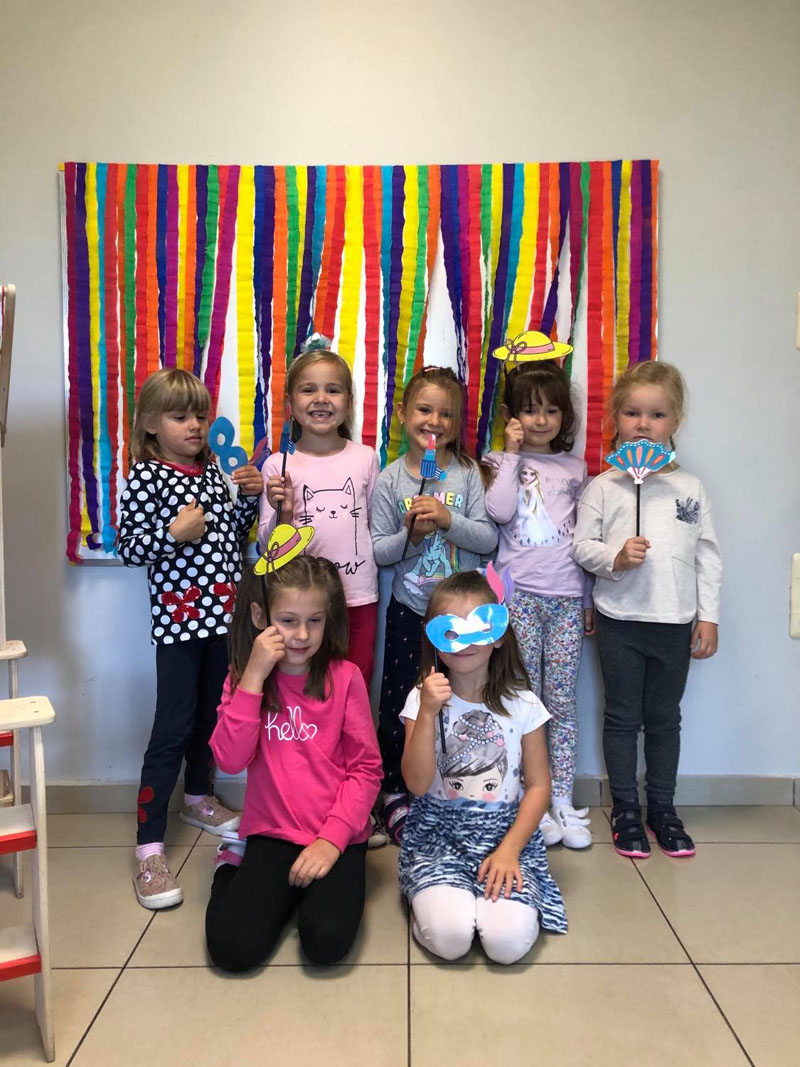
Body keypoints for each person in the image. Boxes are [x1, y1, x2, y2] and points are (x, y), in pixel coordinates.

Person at [118, 368, 263, 909]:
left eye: (200, 415)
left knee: (211, 717)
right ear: (151, 424)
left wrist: (247, 500)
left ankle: (198, 797)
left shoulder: (212, 473)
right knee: (172, 729)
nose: (195, 425)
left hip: (224, 623)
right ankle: (148, 849)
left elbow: (231, 538)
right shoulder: (146, 477)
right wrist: (171, 534)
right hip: (179, 627)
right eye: (180, 416)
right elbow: (130, 548)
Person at [573, 361, 722, 858]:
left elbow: (707, 555)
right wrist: (615, 559)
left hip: (674, 623)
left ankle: (662, 806)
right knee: (621, 718)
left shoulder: (690, 489)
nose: (643, 424)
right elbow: (582, 547)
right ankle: (625, 809)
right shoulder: (604, 486)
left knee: (663, 719)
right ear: (615, 419)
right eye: (633, 413)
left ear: (675, 421)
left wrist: (709, 616)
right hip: (619, 621)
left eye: (656, 415)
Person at [204, 556, 382, 971]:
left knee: (326, 943)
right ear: (259, 617)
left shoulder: (346, 677)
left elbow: (366, 770)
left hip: (336, 833)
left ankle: (306, 889)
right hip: (272, 832)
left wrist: (331, 841)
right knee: (233, 951)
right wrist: (253, 678)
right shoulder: (243, 678)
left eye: (314, 621)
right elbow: (229, 758)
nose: (302, 635)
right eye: (287, 621)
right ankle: (231, 864)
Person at [398, 571, 566, 964]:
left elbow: (539, 785)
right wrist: (427, 713)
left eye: (478, 627)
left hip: (505, 836)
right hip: (438, 839)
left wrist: (509, 851)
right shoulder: (421, 700)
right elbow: (417, 785)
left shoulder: (523, 704)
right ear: (432, 638)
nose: (464, 642)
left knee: (507, 946)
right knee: (450, 940)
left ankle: (482, 902)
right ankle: (434, 901)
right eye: (450, 630)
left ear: (499, 634)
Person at [369, 366, 497, 843]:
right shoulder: (390, 481)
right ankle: (395, 791)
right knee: (403, 700)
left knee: (462, 699)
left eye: (446, 414)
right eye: (425, 410)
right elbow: (378, 551)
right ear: (404, 414)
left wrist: (447, 519)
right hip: (410, 610)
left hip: (463, 618)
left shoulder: (467, 474)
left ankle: (452, 783)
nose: (435, 421)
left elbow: (487, 540)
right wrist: (412, 535)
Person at [483, 359, 594, 849]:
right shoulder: (497, 461)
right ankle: (532, 797)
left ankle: (562, 798)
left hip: (566, 599)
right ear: (512, 416)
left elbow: (586, 536)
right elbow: (499, 511)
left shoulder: (575, 468)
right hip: (519, 597)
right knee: (523, 700)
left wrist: (587, 599)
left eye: (552, 410)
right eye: (530, 410)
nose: (541, 420)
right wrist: (510, 454)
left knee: (562, 701)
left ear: (565, 416)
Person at [259, 338, 379, 691]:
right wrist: (283, 514)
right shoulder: (278, 465)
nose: (321, 399)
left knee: (354, 683)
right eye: (308, 389)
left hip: (357, 596)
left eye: (333, 390)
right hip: (301, 606)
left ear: (349, 402)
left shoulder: (365, 458)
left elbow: (375, 526)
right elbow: (268, 549)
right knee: (304, 686)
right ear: (290, 404)